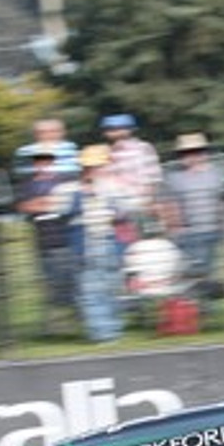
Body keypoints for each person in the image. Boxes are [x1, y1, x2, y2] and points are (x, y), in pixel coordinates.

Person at [50, 144, 134, 343]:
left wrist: (112, 204)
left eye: (99, 166)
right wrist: (84, 195)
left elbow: (128, 209)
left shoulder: (114, 187)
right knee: (90, 291)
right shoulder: (68, 190)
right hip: (84, 247)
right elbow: (60, 210)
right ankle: (103, 335)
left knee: (112, 290)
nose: (95, 170)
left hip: (110, 244)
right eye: (91, 166)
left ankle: (114, 330)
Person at [14, 147, 79, 335]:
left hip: (66, 237)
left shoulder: (64, 181)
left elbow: (66, 204)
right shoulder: (27, 185)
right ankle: (54, 326)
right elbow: (22, 206)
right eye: (39, 162)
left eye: (47, 162)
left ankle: (73, 322)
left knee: (70, 281)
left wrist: (43, 203)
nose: (43, 166)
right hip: (43, 240)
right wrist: (47, 203)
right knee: (48, 283)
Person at [161, 132, 224, 281]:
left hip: (212, 230)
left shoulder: (217, 174)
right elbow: (169, 205)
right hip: (187, 233)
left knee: (208, 272)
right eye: (185, 153)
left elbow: (221, 202)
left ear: (204, 153)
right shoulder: (174, 177)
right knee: (193, 273)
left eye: (196, 152)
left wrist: (223, 226)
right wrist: (174, 229)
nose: (191, 156)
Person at [100, 113, 162, 240]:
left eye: (120, 128)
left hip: (141, 205)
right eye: (111, 129)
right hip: (120, 210)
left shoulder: (143, 148)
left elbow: (153, 177)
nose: (116, 132)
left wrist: (148, 201)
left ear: (130, 129)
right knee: (126, 244)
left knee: (146, 242)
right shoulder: (108, 153)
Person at [13, 118, 79, 180]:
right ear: (35, 134)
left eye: (54, 131)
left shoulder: (70, 147)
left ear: (62, 132)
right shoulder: (25, 151)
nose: (49, 135)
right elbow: (22, 172)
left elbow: (76, 168)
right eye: (42, 132)